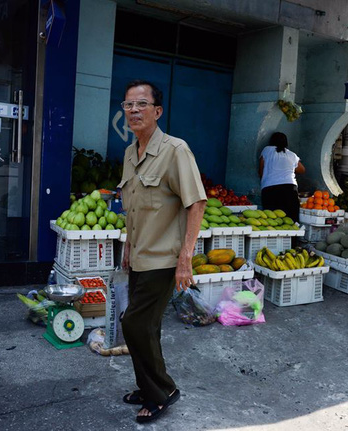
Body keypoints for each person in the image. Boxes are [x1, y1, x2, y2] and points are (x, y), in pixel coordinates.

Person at [117, 80, 207, 423]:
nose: (134, 111)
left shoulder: (175, 150)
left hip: (164, 259)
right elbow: (134, 206)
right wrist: (127, 244)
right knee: (147, 327)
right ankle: (147, 385)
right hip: (139, 255)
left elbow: (196, 203)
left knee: (135, 324)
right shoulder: (130, 152)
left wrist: (185, 258)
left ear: (158, 111)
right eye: (128, 105)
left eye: (141, 104)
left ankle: (162, 391)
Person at [258, 132, 305, 221]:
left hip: (270, 188)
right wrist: (289, 167)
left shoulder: (267, 150)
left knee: (271, 219)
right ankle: (293, 235)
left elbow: (261, 171)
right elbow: (302, 170)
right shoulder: (292, 155)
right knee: (291, 218)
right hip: (290, 189)